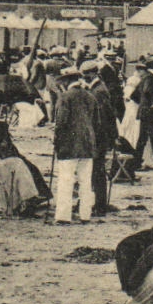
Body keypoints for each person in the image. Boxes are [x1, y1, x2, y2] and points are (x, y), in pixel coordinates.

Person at [51, 66, 99, 223]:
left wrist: (56, 140)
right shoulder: (90, 96)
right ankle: (85, 214)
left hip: (69, 145)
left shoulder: (65, 97)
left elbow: (61, 123)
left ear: (66, 81)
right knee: (86, 181)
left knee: (66, 180)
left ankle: (63, 216)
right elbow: (96, 122)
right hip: (88, 144)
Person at [83, 60, 118, 216]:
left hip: (98, 137)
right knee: (96, 170)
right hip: (99, 136)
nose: (84, 77)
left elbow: (104, 117)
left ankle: (100, 205)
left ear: (93, 73)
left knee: (97, 171)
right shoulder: (97, 89)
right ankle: (98, 203)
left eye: (86, 74)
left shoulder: (98, 91)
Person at [130, 57, 153, 170]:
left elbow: (133, 95)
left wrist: (142, 105)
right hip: (149, 113)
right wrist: (151, 103)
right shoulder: (150, 78)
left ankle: (136, 163)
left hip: (144, 112)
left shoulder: (144, 78)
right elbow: (148, 92)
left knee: (143, 139)